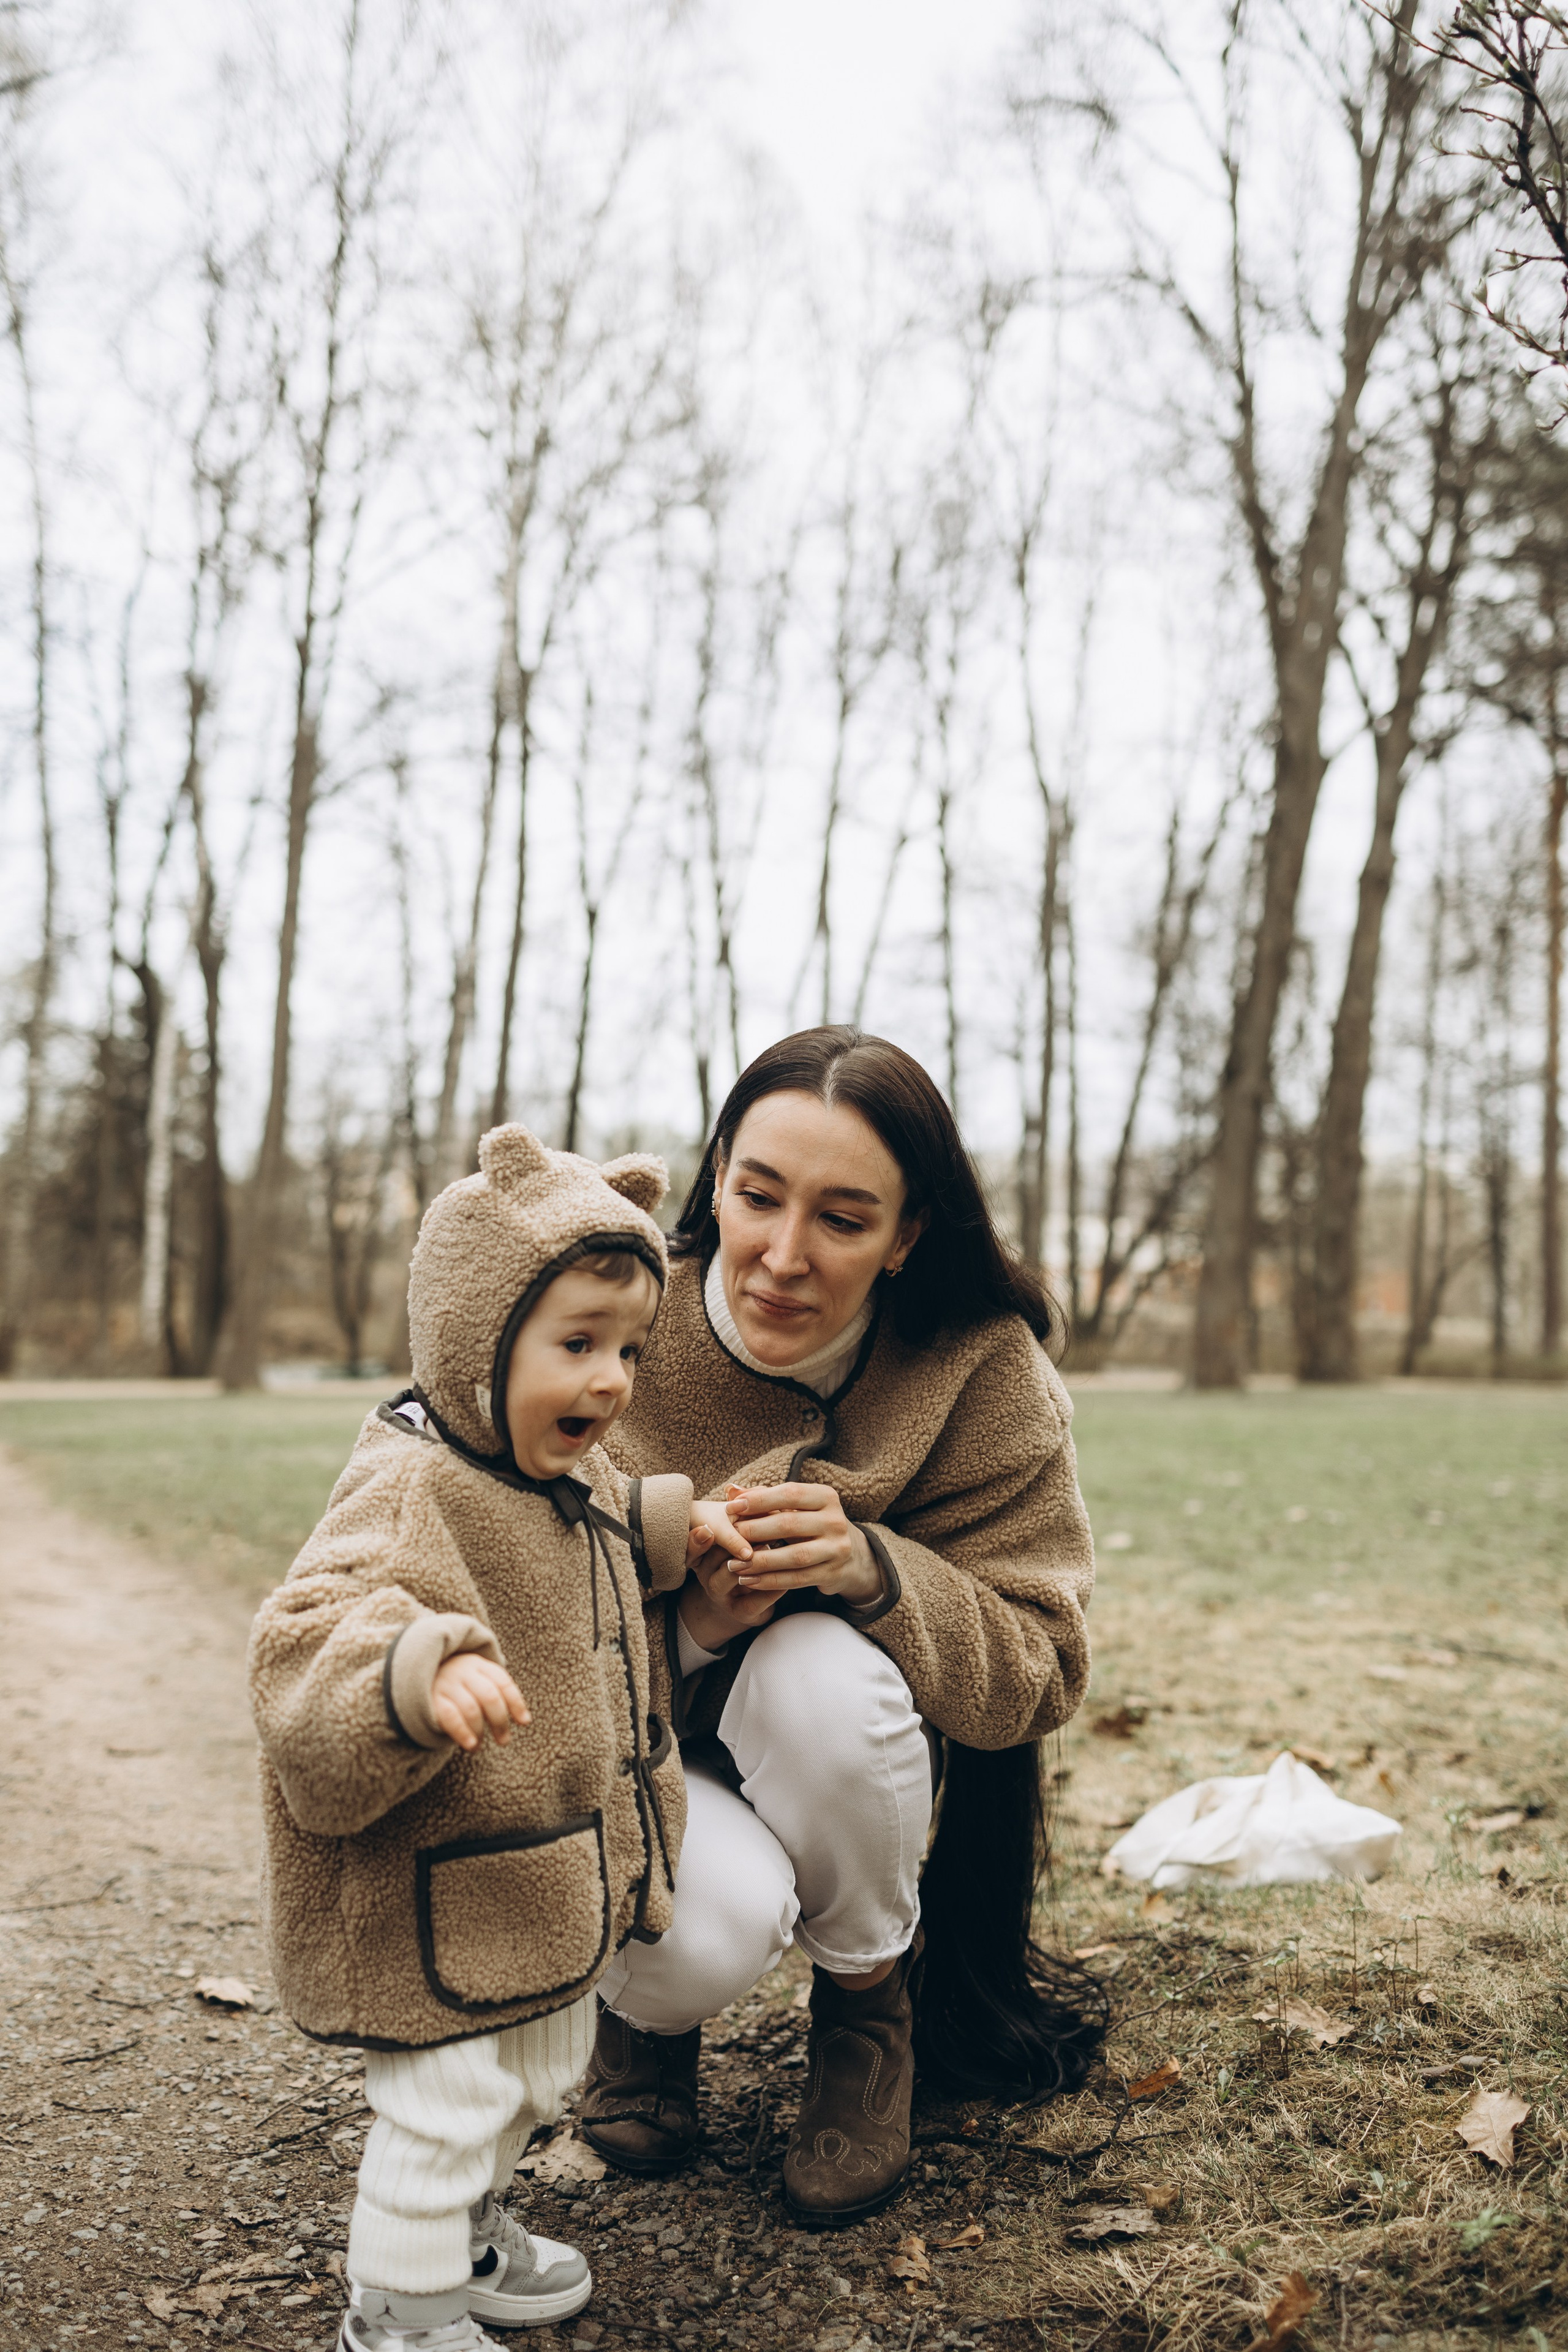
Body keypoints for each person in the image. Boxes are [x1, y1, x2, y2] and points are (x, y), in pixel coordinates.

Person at [582, 1025, 1106, 2227]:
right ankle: (641, 2019)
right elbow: (502, 1615)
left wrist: (879, 1574)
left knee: (821, 1666)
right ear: (715, 1174)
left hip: (845, 1753)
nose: (779, 1255)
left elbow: (1040, 1665)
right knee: (708, 1941)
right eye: (757, 1196)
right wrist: (694, 1615)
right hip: (627, 1761)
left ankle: (870, 2013)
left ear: (907, 1235)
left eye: (842, 1218)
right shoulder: (603, 1311)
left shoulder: (979, 1370)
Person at [249, 1126, 753, 2352]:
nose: (611, 1380)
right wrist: (412, 1674)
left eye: (628, 1348)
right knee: (446, 2106)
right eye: (575, 1344)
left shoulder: (541, 1470)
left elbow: (600, 1523)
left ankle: (471, 2239)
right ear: (478, 1341)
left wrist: (690, 1526)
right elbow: (303, 1642)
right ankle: (401, 2309)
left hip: (532, 1876)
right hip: (439, 1889)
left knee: (529, 2081)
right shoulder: (412, 1486)